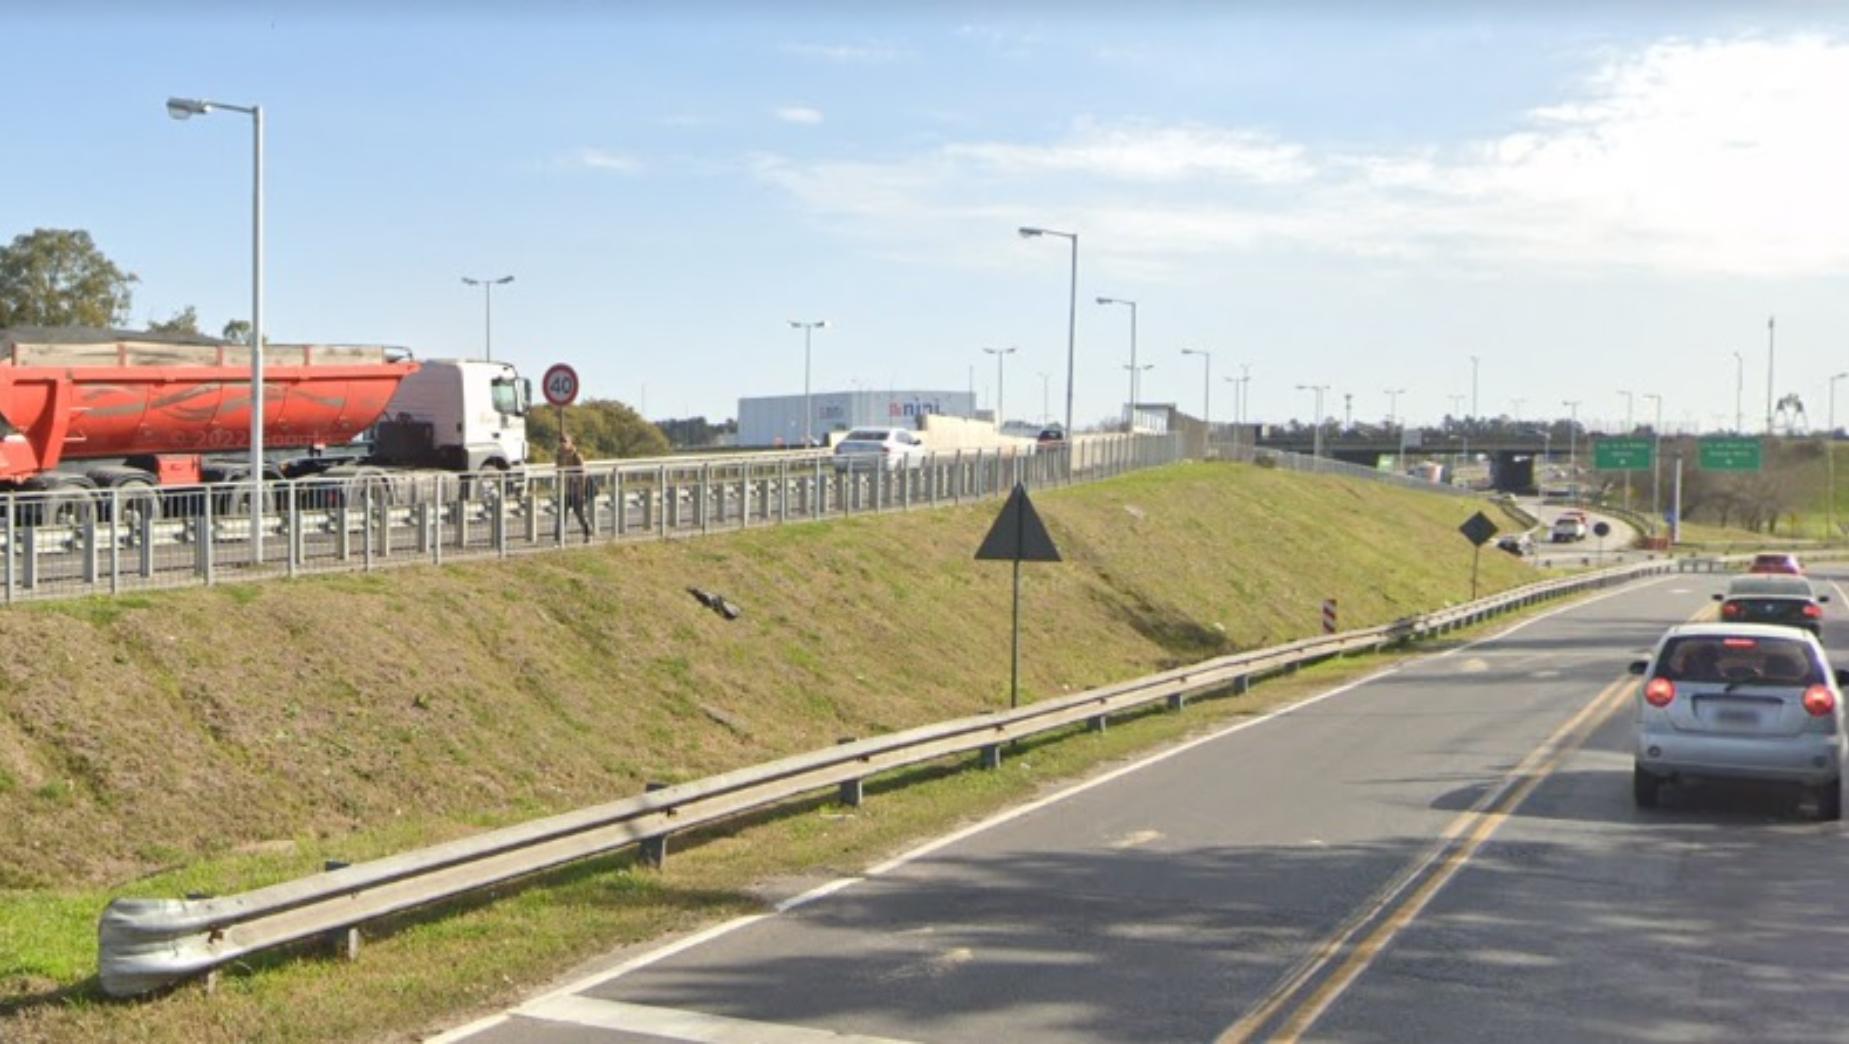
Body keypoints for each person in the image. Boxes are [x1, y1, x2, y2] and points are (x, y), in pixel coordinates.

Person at [557, 433, 593, 541]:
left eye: (565, 442)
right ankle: (560, 537)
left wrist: (581, 491)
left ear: (570, 442)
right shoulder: (559, 455)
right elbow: (558, 469)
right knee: (562, 513)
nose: (563, 445)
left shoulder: (576, 455)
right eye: (561, 442)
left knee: (579, 513)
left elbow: (583, 474)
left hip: (576, 490)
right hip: (565, 489)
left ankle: (588, 532)